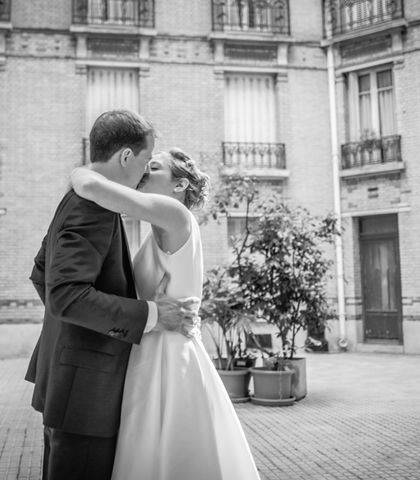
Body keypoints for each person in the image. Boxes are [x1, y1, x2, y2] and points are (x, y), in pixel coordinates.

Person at [25, 110, 198, 480]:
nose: (143, 174)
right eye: (145, 162)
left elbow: (43, 275)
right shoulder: (92, 208)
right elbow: (66, 296)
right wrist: (151, 315)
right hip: (87, 386)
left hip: (74, 379)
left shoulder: (81, 200)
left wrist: (71, 332)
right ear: (125, 156)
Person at [69, 147, 261, 480]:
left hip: (173, 356)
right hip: (150, 348)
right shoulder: (157, 227)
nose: (144, 172)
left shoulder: (175, 214)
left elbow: (93, 189)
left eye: (154, 167)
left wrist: (78, 172)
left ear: (179, 186)